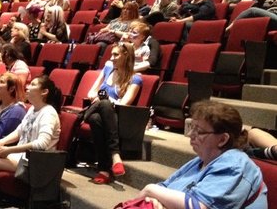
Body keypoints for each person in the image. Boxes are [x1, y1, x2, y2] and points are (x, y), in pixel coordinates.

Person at [136, 101, 267, 209]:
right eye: (191, 127)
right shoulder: (202, 160)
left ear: (222, 139)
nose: (190, 134)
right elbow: (166, 186)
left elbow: (198, 206)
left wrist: (150, 190)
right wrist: (155, 198)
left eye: (199, 131)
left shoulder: (234, 165)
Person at [0, 76, 62, 209]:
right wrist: (1, 142)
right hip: (21, 157)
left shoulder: (48, 113)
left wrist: (8, 150)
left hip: (35, 162)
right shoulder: (32, 109)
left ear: (44, 92)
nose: (28, 87)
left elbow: (41, 144)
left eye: (33, 85)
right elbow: (19, 132)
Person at [83, 43, 142, 184]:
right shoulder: (108, 68)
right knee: (101, 108)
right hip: (96, 107)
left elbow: (124, 104)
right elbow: (91, 92)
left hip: (114, 116)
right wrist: (97, 97)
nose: (111, 58)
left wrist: (107, 100)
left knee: (96, 118)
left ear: (126, 56)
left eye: (116, 55)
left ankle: (104, 169)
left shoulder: (135, 79)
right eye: (111, 54)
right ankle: (115, 154)